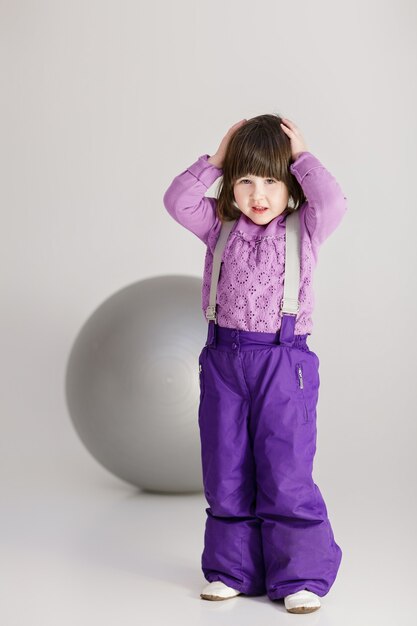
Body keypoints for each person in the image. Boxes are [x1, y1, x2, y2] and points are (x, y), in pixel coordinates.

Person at [162, 114, 347, 614]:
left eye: (271, 180)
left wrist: (303, 156)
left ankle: (301, 574)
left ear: (290, 185)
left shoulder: (305, 227)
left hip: (283, 364)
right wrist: (217, 158)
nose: (257, 194)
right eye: (244, 180)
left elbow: (333, 200)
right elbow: (177, 201)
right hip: (223, 360)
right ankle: (232, 568)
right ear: (230, 186)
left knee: (285, 470)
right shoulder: (219, 226)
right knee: (226, 469)